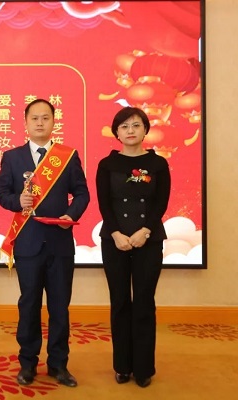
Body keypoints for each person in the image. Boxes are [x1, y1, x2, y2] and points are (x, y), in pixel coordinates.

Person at [0, 98, 89, 387]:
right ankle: (28, 364)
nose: (39, 122)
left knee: (60, 307)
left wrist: (70, 215)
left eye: (45, 117)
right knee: (29, 305)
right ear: (25, 123)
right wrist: (17, 201)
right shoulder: (12, 157)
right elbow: (1, 194)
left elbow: (82, 194)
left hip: (60, 243)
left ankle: (59, 365)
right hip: (28, 244)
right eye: (34, 118)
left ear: (53, 122)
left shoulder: (67, 156)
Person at [96, 107, 171, 388]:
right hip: (114, 241)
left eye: (136, 125)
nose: (130, 130)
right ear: (116, 132)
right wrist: (116, 233)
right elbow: (105, 203)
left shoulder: (158, 164)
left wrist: (145, 231)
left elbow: (161, 202)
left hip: (148, 240)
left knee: (143, 302)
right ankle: (122, 366)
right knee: (119, 302)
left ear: (145, 129)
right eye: (124, 126)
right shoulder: (107, 164)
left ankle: (143, 368)